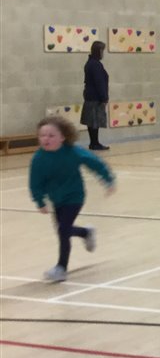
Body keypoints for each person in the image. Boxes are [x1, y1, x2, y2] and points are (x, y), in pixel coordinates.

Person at [29, 115, 115, 282]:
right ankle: (85, 232)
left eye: (51, 135)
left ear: (63, 137)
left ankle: (61, 268)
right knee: (63, 230)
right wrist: (39, 201)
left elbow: (95, 163)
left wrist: (107, 180)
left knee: (63, 230)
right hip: (56, 199)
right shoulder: (38, 158)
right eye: (42, 135)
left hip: (74, 197)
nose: (46, 139)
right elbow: (35, 182)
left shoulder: (73, 152)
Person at [81, 39, 110, 151]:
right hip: (95, 97)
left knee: (92, 121)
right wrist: (104, 97)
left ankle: (94, 142)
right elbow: (99, 82)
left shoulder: (90, 63)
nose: (103, 53)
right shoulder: (95, 65)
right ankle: (95, 143)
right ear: (99, 51)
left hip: (90, 96)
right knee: (94, 121)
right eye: (102, 50)